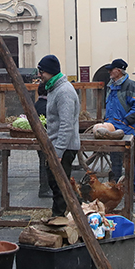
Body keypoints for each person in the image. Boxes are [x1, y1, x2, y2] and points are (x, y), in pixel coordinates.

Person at [38, 54, 81, 217]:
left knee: (60, 186)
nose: (39, 74)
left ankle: (60, 218)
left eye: (41, 71)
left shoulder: (64, 92)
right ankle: (62, 216)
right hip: (57, 146)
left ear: (49, 71)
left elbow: (66, 124)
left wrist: (58, 152)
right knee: (56, 184)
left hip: (65, 147)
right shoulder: (54, 88)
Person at [105, 58, 135, 187]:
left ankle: (130, 190)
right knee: (115, 162)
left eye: (111, 70)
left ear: (119, 71)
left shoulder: (130, 85)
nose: (109, 72)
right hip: (113, 130)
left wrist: (126, 121)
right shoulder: (110, 86)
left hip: (128, 130)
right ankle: (116, 189)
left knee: (128, 163)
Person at [35, 81, 51, 199]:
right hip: (48, 138)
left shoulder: (36, 105)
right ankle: (44, 188)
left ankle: (44, 187)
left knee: (43, 162)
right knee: (46, 163)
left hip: (38, 139)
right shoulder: (47, 106)